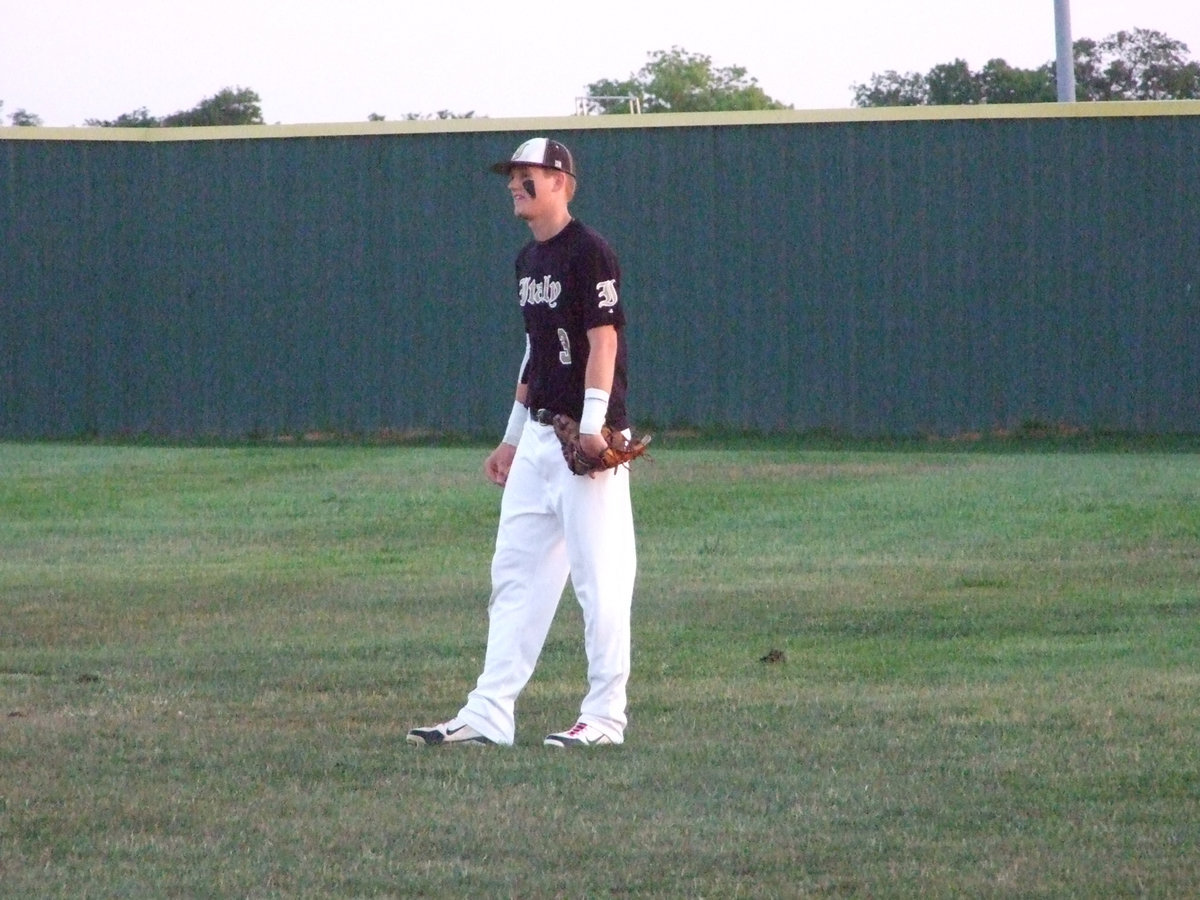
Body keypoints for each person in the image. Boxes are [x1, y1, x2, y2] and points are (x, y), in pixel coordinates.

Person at [407, 137, 637, 748]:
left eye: (525, 175)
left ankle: (605, 718)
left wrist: (591, 425)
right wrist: (511, 437)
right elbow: (535, 349)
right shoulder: (527, 260)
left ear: (560, 181)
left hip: (586, 442)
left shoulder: (590, 251)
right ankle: (489, 713)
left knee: (600, 579)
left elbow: (604, 341)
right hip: (540, 440)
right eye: (511, 176)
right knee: (514, 573)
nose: (513, 184)